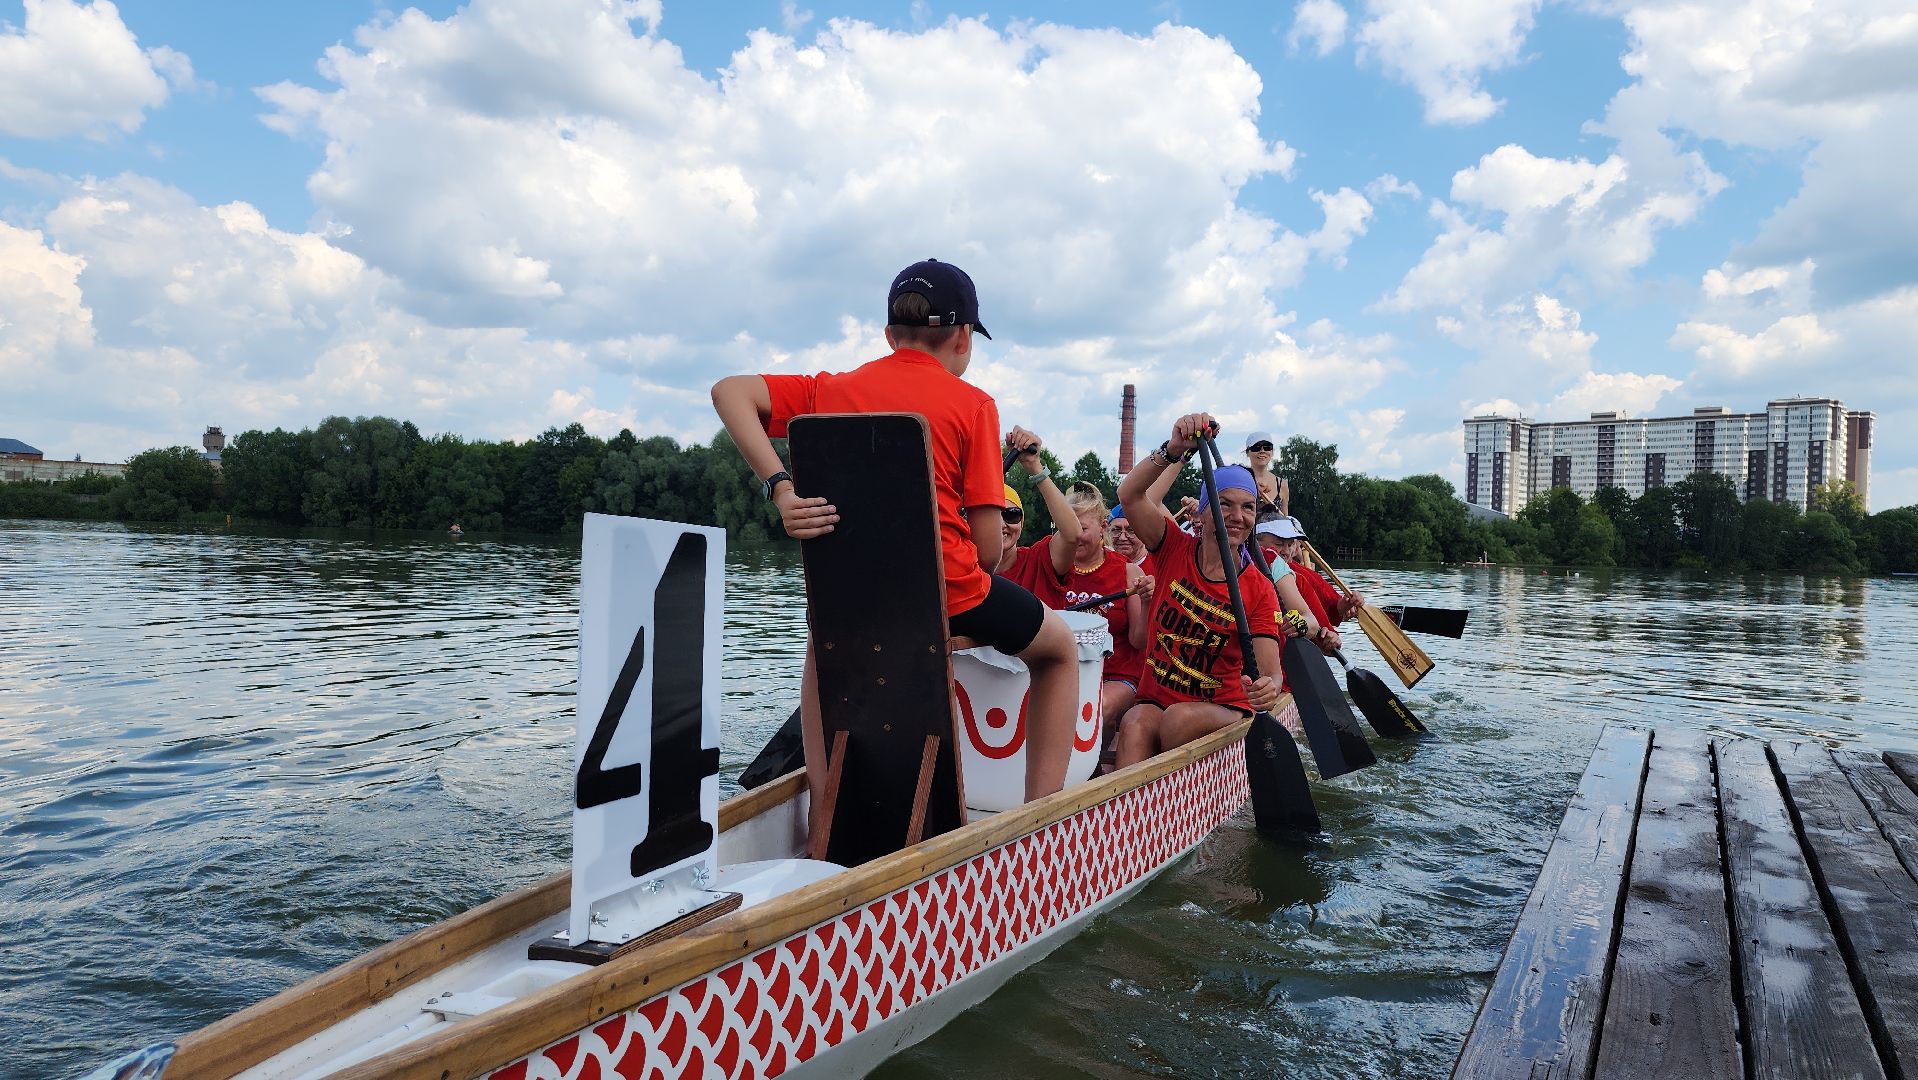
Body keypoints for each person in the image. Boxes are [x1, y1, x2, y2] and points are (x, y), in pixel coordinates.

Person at [710, 258, 1081, 804]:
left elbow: (728, 391)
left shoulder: (826, 391)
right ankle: (1038, 816)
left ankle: (823, 811)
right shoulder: (976, 405)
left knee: (823, 641)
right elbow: (982, 550)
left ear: (889, 335)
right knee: (1060, 650)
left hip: (848, 599)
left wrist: (782, 489)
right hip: (946, 599)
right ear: (962, 338)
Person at [1110, 413, 1288, 769]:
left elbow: (1273, 674)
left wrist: (1268, 689)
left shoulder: (1259, 589)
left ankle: (1167, 804)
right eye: (1225, 504)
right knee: (1133, 724)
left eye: (1248, 507)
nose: (1237, 516)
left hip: (1221, 708)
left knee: (1178, 720)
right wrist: (1174, 448)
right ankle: (1132, 816)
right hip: (1156, 698)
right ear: (1202, 513)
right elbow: (1129, 494)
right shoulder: (1172, 546)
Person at [996, 427, 1080, 585]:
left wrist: (1034, 465)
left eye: (1011, 514)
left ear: (1021, 522)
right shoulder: (962, 568)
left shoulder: (1040, 562)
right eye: (993, 515)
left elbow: (1073, 535)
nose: (1001, 524)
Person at [1253, 515, 1341, 654]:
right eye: (1279, 544)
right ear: (1256, 541)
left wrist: (1301, 625)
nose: (1286, 551)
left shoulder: (1300, 580)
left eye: (1290, 544)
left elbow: (1315, 627)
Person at [1243, 431, 1287, 517]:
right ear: (1248, 452)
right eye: (1256, 447)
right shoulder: (1240, 481)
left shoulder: (1282, 484)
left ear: (1272, 452)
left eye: (1267, 447)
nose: (1262, 451)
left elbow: (1285, 520)